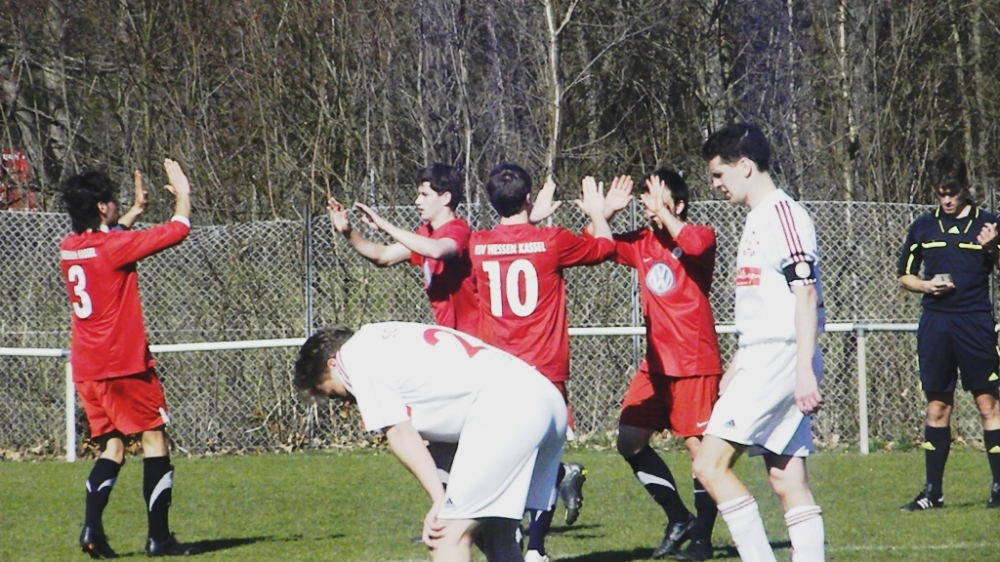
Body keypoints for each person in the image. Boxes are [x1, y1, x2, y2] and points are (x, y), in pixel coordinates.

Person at [293, 322, 567, 562]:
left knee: (445, 535)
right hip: (542, 396)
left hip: (507, 407)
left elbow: (400, 432)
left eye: (331, 393)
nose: (343, 401)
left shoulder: (353, 356)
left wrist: (439, 501)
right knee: (494, 534)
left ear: (331, 364)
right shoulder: (384, 339)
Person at [691, 123, 826, 562]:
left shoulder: (783, 215)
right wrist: (737, 361)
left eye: (719, 175)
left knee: (709, 465)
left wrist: (803, 368)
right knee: (786, 480)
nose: (715, 185)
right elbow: (764, 301)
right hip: (762, 355)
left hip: (780, 357)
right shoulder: (758, 218)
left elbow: (805, 292)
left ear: (744, 166)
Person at [469, 164, 615, 562]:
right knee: (546, 459)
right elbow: (604, 247)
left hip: (500, 371)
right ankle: (536, 547)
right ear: (530, 198)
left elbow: (508, 243)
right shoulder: (552, 241)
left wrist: (529, 217)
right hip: (545, 370)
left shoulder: (477, 244)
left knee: (505, 458)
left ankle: (511, 539)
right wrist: (599, 214)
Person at [60, 160, 200, 558]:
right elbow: (179, 230)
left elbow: (105, 241)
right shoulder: (114, 247)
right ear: (103, 207)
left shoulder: (70, 248)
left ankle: (92, 530)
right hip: (123, 364)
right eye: (113, 201)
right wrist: (184, 194)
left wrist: (134, 212)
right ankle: (160, 539)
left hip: (87, 369)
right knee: (155, 439)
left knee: (113, 448)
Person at [589, 171, 721, 561]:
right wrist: (607, 214)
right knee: (629, 441)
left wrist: (666, 213)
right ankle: (678, 518)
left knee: (701, 453)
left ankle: (703, 540)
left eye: (657, 198)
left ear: (678, 204)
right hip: (656, 366)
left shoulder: (700, 235)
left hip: (694, 363)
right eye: (647, 198)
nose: (647, 205)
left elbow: (695, 245)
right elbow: (595, 246)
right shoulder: (643, 243)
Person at [896, 152, 1000, 510]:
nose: (946, 200)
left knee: (988, 404)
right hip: (936, 325)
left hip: (975, 322)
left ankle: (999, 487)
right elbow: (905, 275)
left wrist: (992, 248)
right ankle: (932, 493)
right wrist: (925, 287)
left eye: (952, 192)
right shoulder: (924, 227)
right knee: (937, 407)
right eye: (941, 193)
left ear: (964, 188)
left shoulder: (988, 224)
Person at [327, 163, 478, 335]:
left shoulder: (457, 229)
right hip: (448, 334)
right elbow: (383, 256)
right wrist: (348, 232)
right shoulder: (425, 234)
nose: (417, 201)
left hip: (471, 337)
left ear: (445, 198)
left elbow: (439, 250)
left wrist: (385, 225)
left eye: (424, 195)